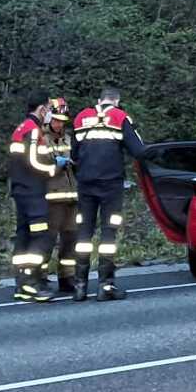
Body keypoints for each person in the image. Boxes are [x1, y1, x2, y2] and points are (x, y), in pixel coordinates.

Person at [70, 88, 147, 302]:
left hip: (85, 184)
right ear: (117, 101)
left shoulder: (81, 117)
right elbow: (139, 150)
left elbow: (73, 153)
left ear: (99, 100)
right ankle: (105, 286)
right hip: (110, 184)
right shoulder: (120, 117)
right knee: (108, 235)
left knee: (84, 234)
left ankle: (80, 286)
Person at [8, 92, 66, 302]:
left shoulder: (22, 127)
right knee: (41, 235)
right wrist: (54, 168)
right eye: (49, 110)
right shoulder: (32, 130)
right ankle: (30, 282)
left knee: (24, 236)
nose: (50, 115)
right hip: (32, 192)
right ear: (42, 109)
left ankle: (22, 283)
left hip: (21, 190)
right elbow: (33, 162)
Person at [43, 97, 79, 293]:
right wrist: (56, 165)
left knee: (71, 240)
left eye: (62, 121)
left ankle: (67, 277)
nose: (59, 124)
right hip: (51, 199)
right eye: (55, 120)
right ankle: (40, 278)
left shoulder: (68, 138)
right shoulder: (41, 138)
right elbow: (38, 167)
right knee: (47, 240)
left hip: (71, 197)